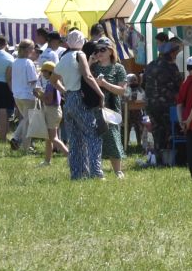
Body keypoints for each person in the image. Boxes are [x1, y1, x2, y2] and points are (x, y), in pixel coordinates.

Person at [55, 30, 105, 180]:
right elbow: (87, 75)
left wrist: (64, 91)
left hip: (69, 99)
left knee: (75, 140)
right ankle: (96, 173)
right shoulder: (80, 55)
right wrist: (100, 94)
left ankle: (77, 173)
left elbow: (53, 79)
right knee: (93, 135)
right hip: (79, 98)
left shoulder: (63, 57)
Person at [88, 37, 131, 179]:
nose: (99, 52)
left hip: (111, 108)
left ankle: (118, 171)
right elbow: (83, 80)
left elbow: (122, 90)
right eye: (97, 49)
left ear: (111, 51)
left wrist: (105, 84)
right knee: (94, 138)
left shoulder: (118, 68)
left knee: (112, 138)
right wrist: (89, 63)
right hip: (94, 107)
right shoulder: (92, 67)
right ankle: (95, 169)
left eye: (103, 49)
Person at [141, 34, 184, 168]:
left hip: (150, 104)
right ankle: (170, 160)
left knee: (156, 132)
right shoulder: (172, 67)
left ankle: (159, 160)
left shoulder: (150, 65)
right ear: (171, 53)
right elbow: (180, 86)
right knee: (169, 132)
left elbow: (143, 84)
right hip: (166, 105)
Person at [9, 40, 41, 153]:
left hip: (17, 95)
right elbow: (32, 80)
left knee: (25, 120)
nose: (33, 51)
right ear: (28, 50)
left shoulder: (15, 62)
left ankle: (15, 138)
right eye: (32, 49)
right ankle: (27, 147)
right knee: (28, 122)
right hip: (28, 95)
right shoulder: (28, 62)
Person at [36, 60, 65, 165]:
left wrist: (38, 95)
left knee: (53, 138)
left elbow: (48, 101)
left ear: (49, 73)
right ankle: (47, 161)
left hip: (52, 112)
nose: (42, 74)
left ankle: (69, 155)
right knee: (48, 138)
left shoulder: (50, 85)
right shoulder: (54, 83)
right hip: (54, 111)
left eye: (44, 71)